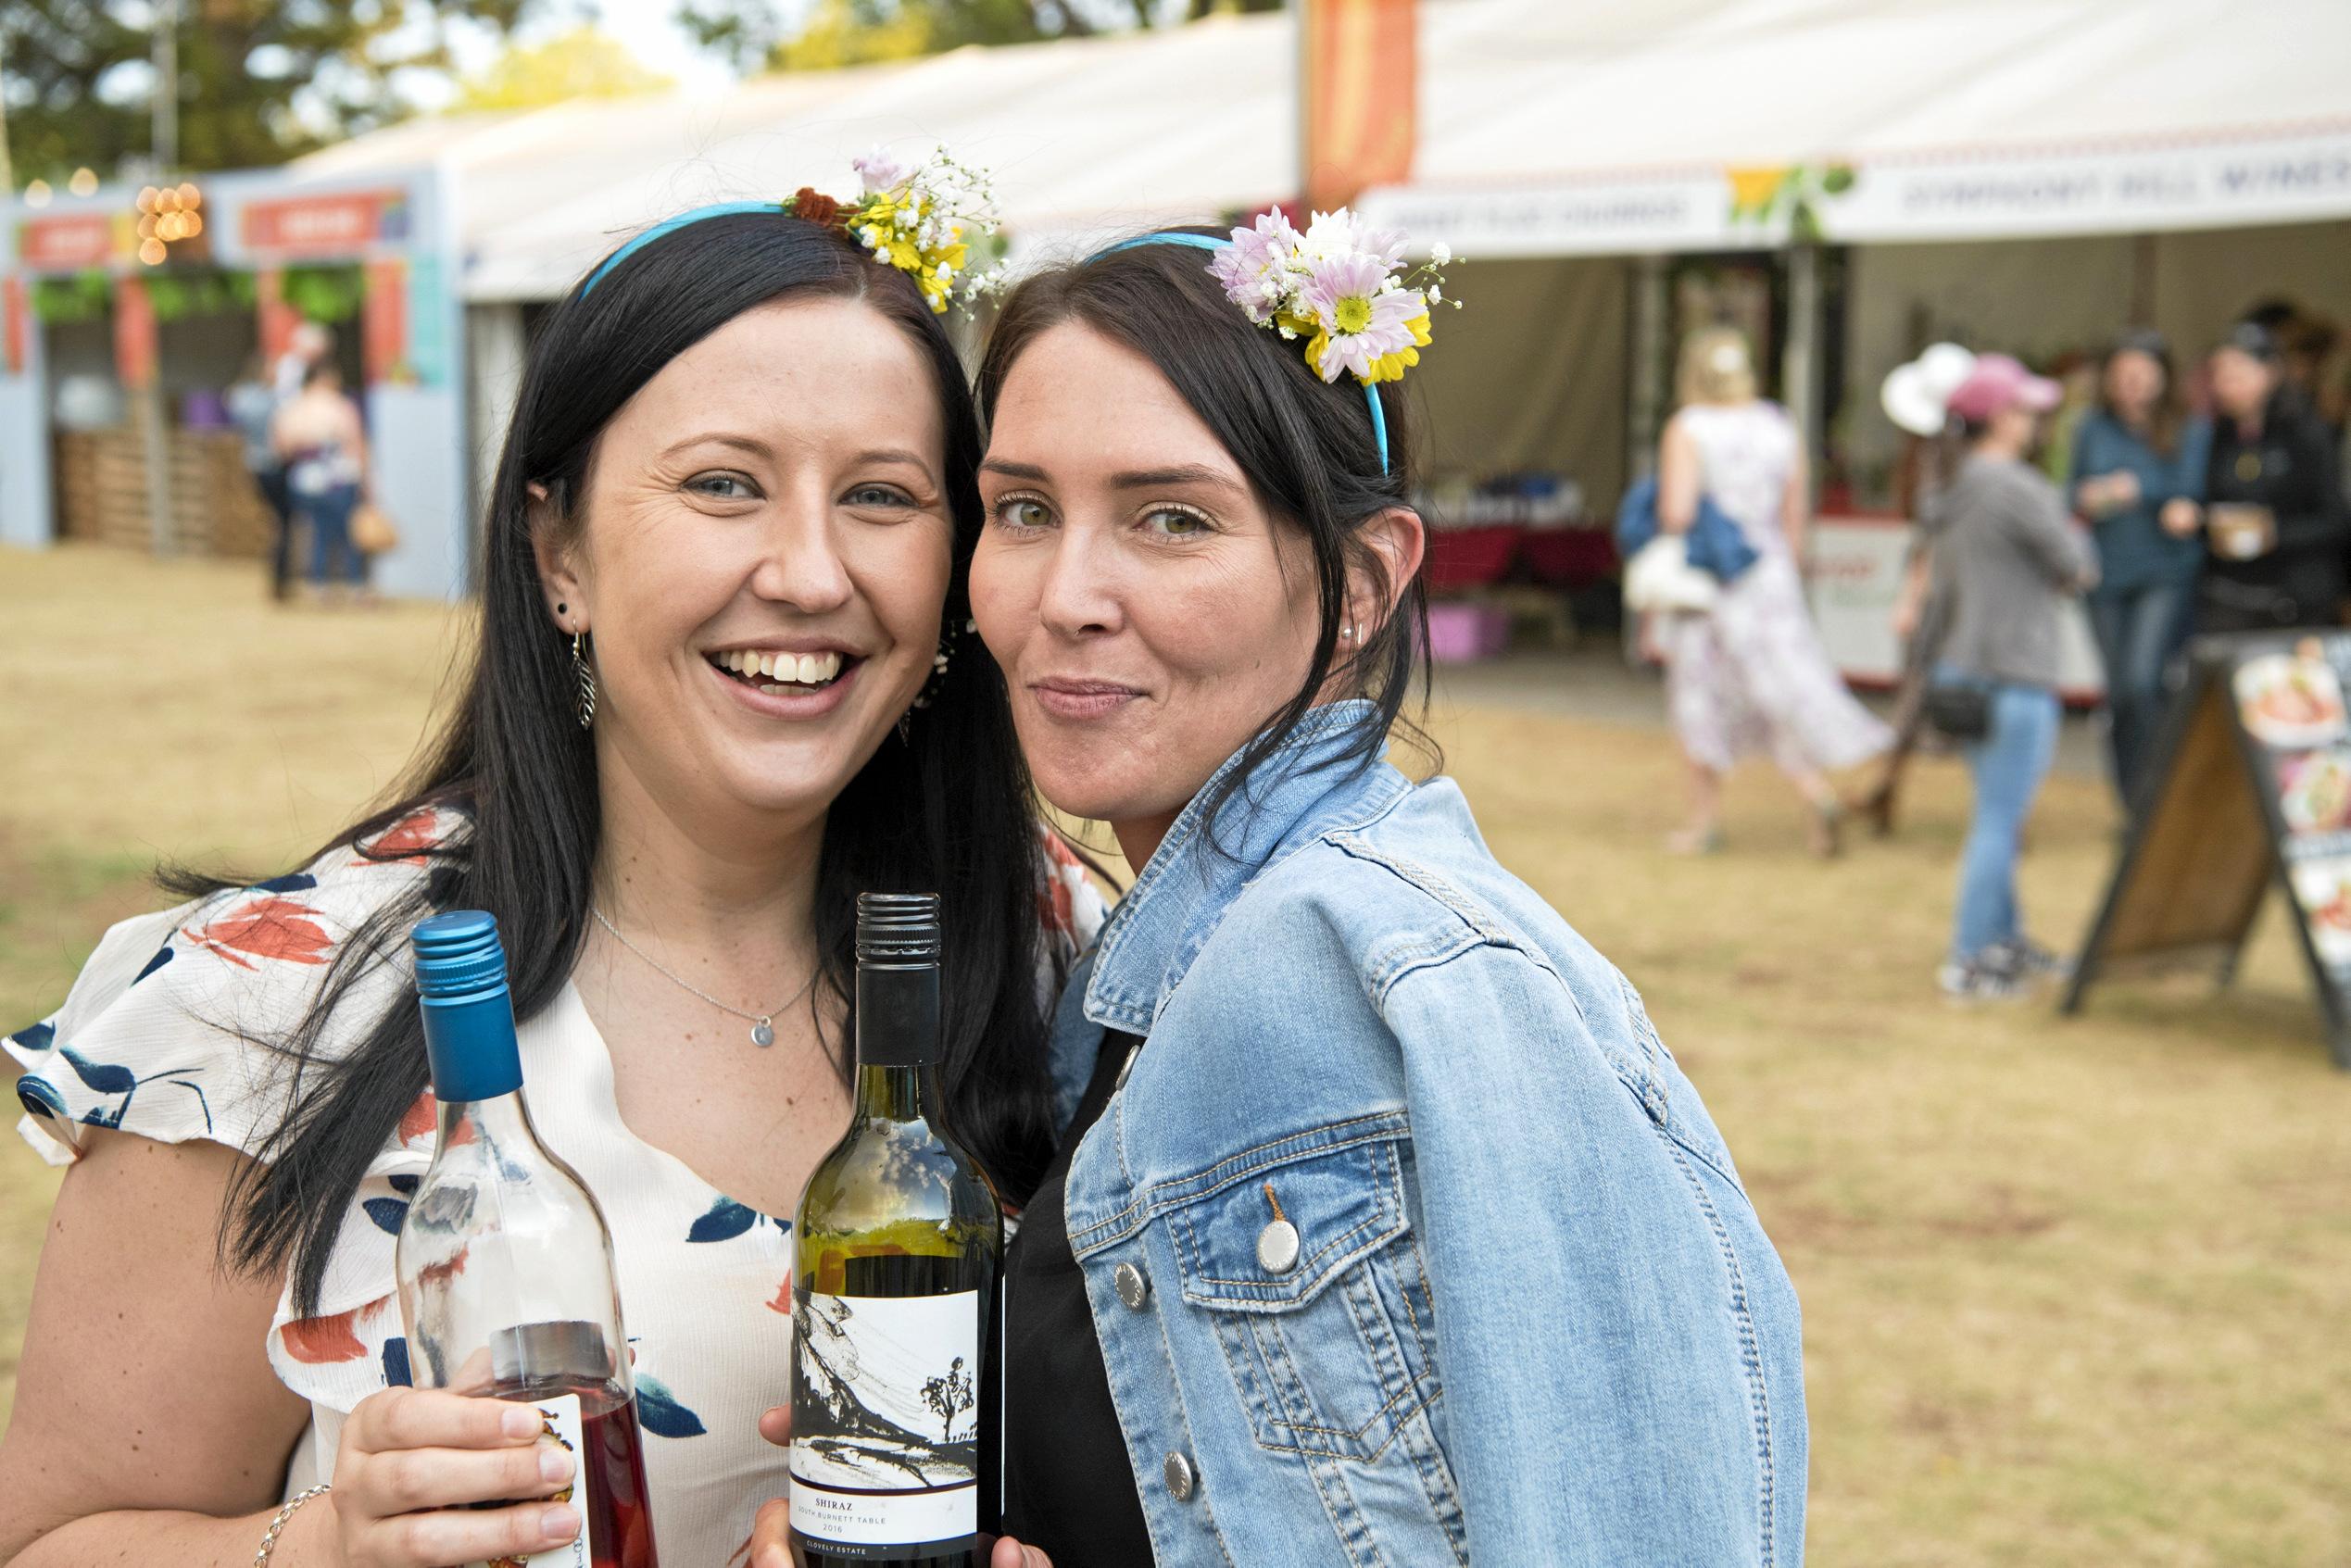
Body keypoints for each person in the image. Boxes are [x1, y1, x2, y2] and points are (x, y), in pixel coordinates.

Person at [0, 184, 1092, 1568]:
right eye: (721, 483)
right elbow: (48, 1540)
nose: (811, 572)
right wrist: (338, 1544)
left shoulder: (1059, 946)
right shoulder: (266, 1007)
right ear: (556, 550)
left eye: (881, 495)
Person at [899, 216, 1801, 1565]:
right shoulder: (1135, 961)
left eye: (1170, 519)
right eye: (1023, 510)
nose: (1064, 594)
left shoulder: (1391, 972)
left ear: (1364, 581)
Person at [1653, 326, 1892, 856]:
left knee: (1700, 696)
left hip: (1712, 580)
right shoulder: (1777, 425)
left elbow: (1677, 512)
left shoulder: (1688, 427)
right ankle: (1816, 795)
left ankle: (1703, 821)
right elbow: (1794, 517)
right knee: (1776, 693)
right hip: (1771, 577)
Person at [1923, 354, 2099, 1000]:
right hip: (2017, 673)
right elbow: (2078, 565)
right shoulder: (2017, 486)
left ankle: (2003, 941)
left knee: (1996, 814)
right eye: (2027, 408)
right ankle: (1970, 960)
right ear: (1999, 417)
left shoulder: (1959, 482)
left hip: (1964, 671)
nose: (2037, 420)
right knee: (1999, 822)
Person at [2069, 330, 2211, 809]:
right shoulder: (2091, 427)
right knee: (2118, 696)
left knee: (2142, 682)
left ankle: (2157, 792)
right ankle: (2130, 801)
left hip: (2163, 573)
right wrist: (2089, 496)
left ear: (2161, 377)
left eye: (2139, 374)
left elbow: (2189, 489)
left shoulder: (2189, 426)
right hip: (2106, 574)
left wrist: (2140, 492)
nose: (2129, 384)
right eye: (2120, 376)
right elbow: (2070, 491)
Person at [2198, 322, 2346, 633]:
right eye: (2219, 375)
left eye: (2238, 373)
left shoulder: (2307, 434)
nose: (2226, 384)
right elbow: (2208, 500)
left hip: (2295, 597)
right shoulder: (2218, 436)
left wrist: (2272, 533)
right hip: (2229, 594)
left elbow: (2335, 519)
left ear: (2270, 373)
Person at [271, 359, 371, 603]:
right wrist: (367, 480)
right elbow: (356, 443)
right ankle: (355, 584)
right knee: (346, 533)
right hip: (336, 477)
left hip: (303, 479)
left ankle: (319, 584)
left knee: (317, 532)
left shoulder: (292, 408)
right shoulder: (340, 406)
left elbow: (280, 447)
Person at [226, 351, 298, 600]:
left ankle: (282, 573)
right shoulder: (267, 399)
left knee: (281, 523)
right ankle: (281, 575)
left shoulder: (240, 397)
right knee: (283, 522)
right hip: (273, 465)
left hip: (259, 464)